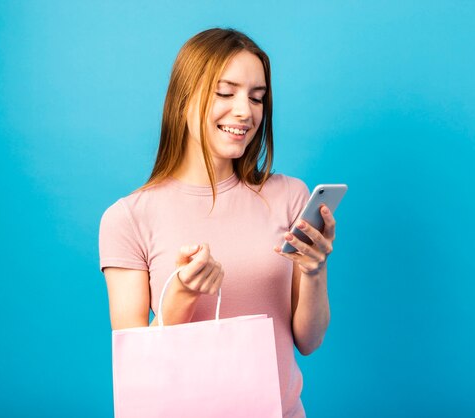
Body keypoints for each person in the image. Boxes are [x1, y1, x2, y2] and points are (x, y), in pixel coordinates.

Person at [99, 28, 337, 418]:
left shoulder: (290, 196)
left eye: (257, 97)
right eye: (225, 93)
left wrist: (315, 269)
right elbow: (139, 368)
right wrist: (181, 297)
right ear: (183, 99)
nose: (245, 111)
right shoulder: (127, 218)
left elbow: (308, 341)